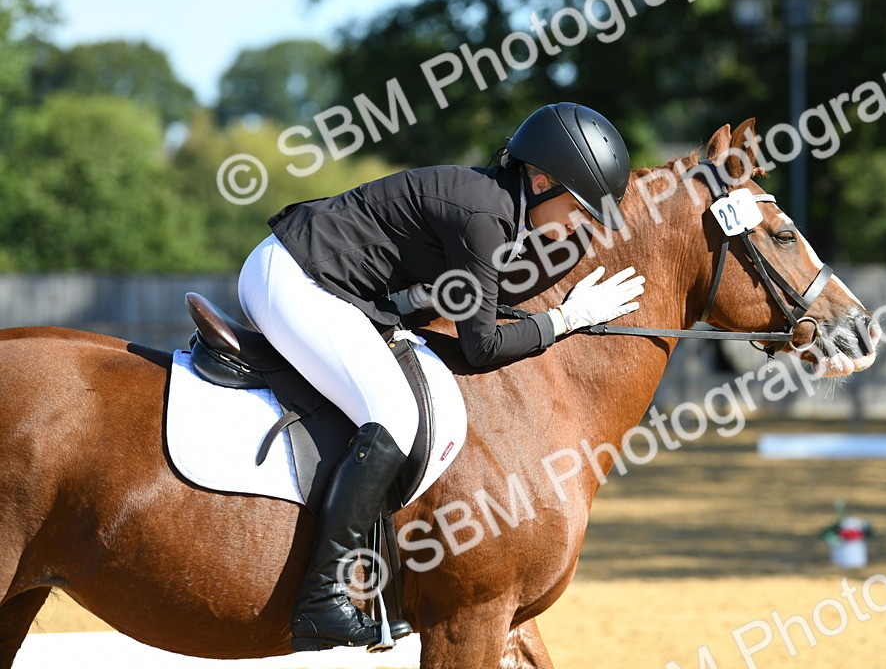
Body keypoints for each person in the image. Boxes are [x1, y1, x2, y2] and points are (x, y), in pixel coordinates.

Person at [237, 102, 645, 651]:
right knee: (394, 415)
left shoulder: (500, 206)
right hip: (295, 279)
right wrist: (566, 320)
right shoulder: (486, 219)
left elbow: (475, 302)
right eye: (579, 209)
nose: (582, 225)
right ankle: (321, 599)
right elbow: (482, 346)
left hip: (325, 282)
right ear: (543, 180)